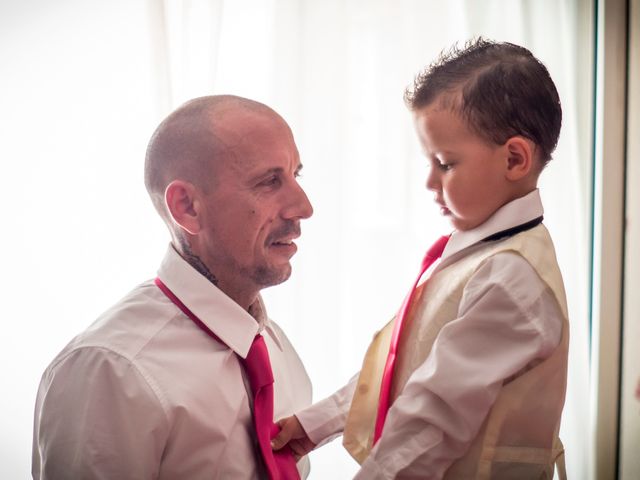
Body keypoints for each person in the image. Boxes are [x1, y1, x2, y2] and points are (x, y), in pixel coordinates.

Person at [273, 38, 569, 479]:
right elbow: (407, 368)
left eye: (445, 163)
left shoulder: (510, 277)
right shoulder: (477, 250)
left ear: (514, 158)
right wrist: (316, 424)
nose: (430, 182)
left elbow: (433, 418)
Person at [32, 95, 314, 479]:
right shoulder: (111, 370)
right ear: (187, 207)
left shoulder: (273, 346)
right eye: (269, 182)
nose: (303, 206)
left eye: (296, 175)